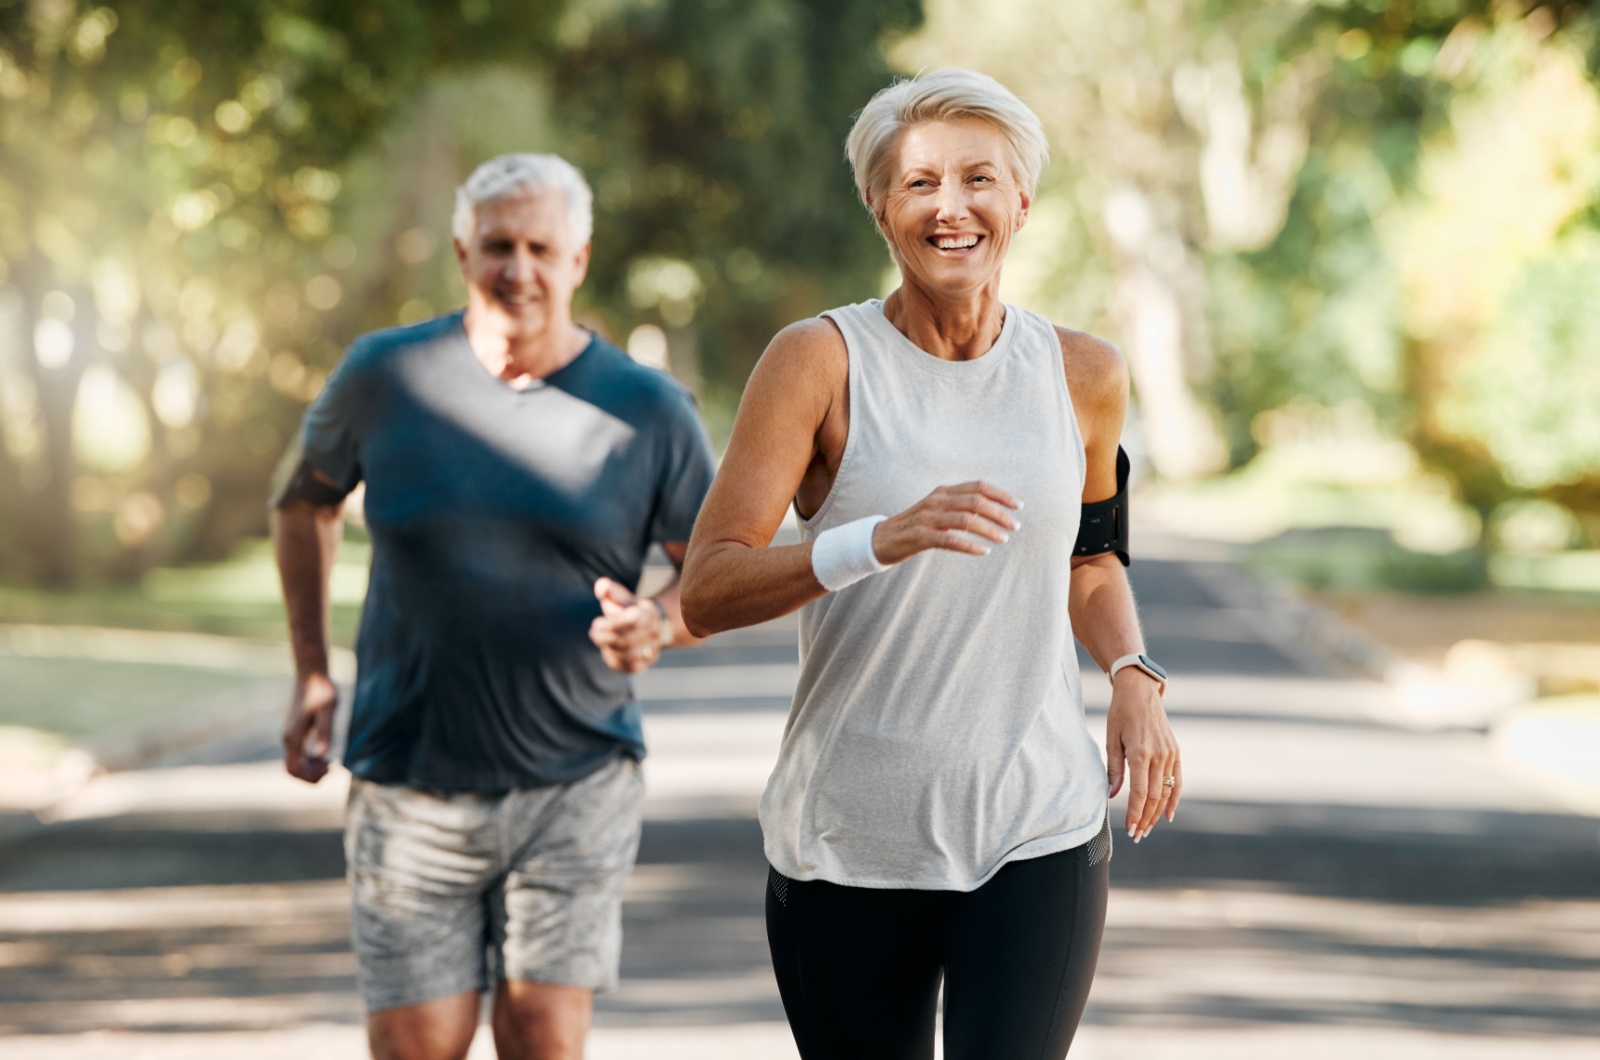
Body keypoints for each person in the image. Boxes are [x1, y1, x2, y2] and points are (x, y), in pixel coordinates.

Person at [678, 69, 1182, 1059]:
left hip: (1035, 822)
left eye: (977, 179)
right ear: (878, 207)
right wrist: (875, 538)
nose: (950, 208)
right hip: (849, 836)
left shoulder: (1084, 373)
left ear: (1021, 201)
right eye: (918, 185)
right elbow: (708, 583)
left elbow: (1092, 554)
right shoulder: (816, 361)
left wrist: (1131, 672)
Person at [270, 153, 716, 1060]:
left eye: (542, 248)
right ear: (463, 253)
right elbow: (303, 501)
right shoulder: (385, 376)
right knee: (416, 1045)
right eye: (499, 246)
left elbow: (715, 574)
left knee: (543, 1035)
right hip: (408, 780)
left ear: (579, 260)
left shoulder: (649, 410)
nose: (522, 269)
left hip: (576, 781)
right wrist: (313, 671)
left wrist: (658, 624)